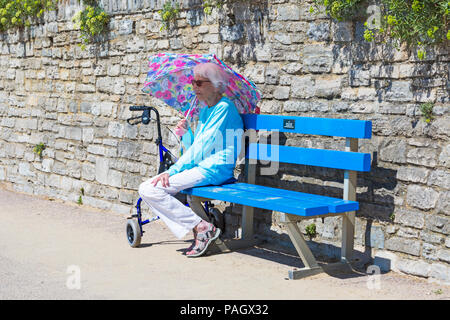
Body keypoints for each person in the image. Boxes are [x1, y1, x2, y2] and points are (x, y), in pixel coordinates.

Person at [138, 62, 244, 257]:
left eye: (199, 83)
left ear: (214, 84)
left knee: (149, 189)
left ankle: (202, 227)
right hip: (203, 167)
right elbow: (197, 145)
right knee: (148, 188)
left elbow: (202, 148)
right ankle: (200, 226)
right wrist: (186, 133)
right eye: (193, 82)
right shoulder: (206, 110)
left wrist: (172, 171)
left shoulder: (224, 108)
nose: (194, 87)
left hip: (215, 169)